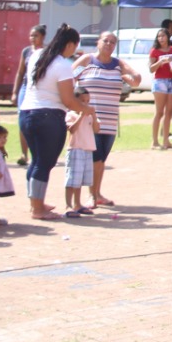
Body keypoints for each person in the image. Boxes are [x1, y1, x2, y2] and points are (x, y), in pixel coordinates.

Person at [19, 24, 93, 220]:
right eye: (74, 46)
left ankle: (35, 201)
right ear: (69, 44)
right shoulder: (62, 65)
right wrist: (87, 109)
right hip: (48, 116)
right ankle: (37, 208)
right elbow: (68, 100)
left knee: (36, 161)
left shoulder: (37, 55)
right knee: (44, 163)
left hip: (26, 112)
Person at [73, 31, 141, 207]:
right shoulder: (87, 61)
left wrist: (127, 75)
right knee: (94, 159)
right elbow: (70, 78)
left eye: (113, 42)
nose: (109, 44)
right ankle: (91, 196)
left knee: (101, 159)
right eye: (106, 41)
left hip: (110, 119)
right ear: (98, 42)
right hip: (90, 119)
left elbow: (136, 79)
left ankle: (97, 193)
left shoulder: (117, 64)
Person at [10, 24, 46, 166]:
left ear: (42, 37)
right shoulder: (26, 51)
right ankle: (23, 154)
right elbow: (20, 72)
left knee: (38, 122)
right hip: (26, 87)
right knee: (23, 121)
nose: (32, 38)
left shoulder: (47, 51)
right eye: (31, 35)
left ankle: (37, 154)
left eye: (35, 35)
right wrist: (14, 92)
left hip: (40, 87)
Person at [64, 86, 99, 217]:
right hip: (76, 149)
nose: (86, 103)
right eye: (82, 101)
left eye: (88, 100)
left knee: (80, 180)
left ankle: (77, 204)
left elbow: (96, 130)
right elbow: (72, 130)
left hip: (87, 149)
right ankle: (68, 205)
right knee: (72, 179)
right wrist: (81, 115)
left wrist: (94, 116)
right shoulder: (71, 114)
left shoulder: (90, 116)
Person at [148, 28, 172, 150]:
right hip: (159, 81)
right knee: (159, 111)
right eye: (159, 36)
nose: (161, 38)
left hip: (171, 80)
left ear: (167, 37)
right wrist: (160, 62)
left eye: (163, 36)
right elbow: (151, 69)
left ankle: (166, 140)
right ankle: (155, 141)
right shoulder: (154, 51)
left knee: (169, 111)